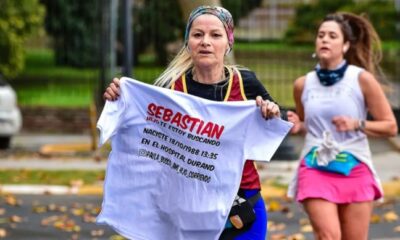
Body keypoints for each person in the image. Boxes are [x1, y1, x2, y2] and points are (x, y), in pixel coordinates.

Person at [103, 5, 287, 240]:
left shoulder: (244, 83)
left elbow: (278, 126)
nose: (205, 42)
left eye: (215, 35)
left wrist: (272, 112)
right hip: (186, 207)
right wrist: (118, 99)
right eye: (198, 34)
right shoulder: (170, 89)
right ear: (188, 42)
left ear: (228, 42)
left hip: (241, 204)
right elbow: (141, 136)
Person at [287, 12, 398, 240]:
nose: (324, 40)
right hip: (315, 163)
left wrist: (357, 123)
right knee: (329, 235)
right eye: (320, 35)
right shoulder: (302, 84)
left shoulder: (362, 79)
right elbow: (306, 123)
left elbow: (390, 127)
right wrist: (297, 125)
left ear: (346, 45)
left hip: (354, 164)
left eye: (332, 36)